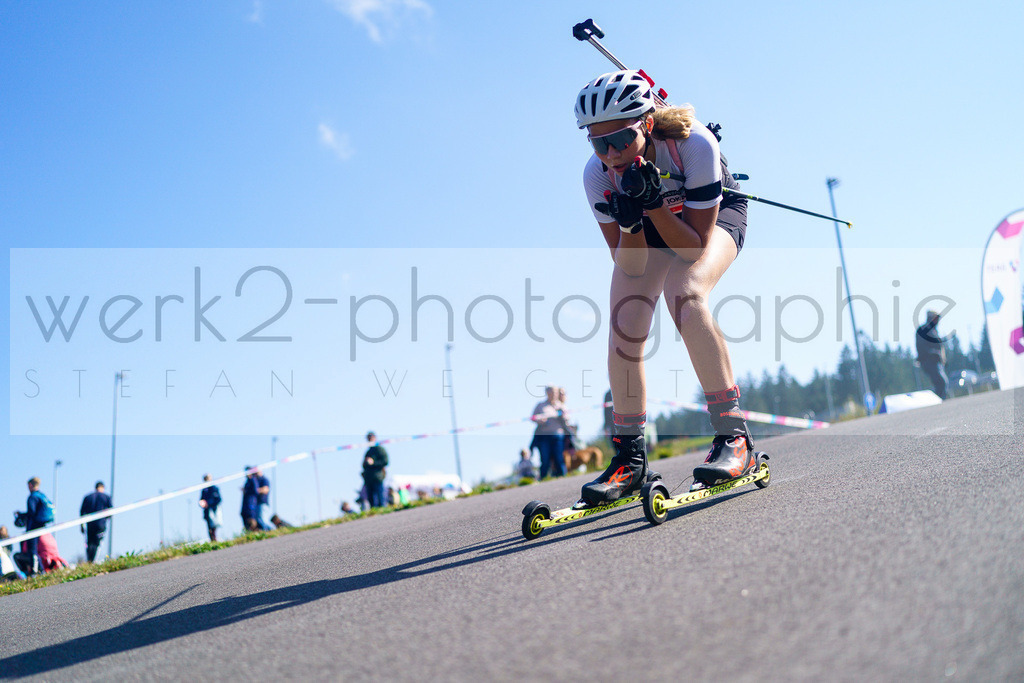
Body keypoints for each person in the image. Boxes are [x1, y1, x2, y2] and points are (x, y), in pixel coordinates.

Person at [574, 69, 756, 504]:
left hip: (708, 220)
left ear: (648, 123)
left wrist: (654, 203)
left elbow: (692, 246)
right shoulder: (597, 175)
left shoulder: (695, 146)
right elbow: (630, 263)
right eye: (599, 144)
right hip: (651, 229)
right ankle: (630, 459)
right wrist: (631, 221)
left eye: (622, 139)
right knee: (625, 325)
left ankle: (735, 438)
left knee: (685, 295)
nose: (612, 154)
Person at [19, 477, 54, 575]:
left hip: (34, 526)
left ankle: (35, 571)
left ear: (30, 485)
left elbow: (31, 512)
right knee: (35, 549)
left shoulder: (32, 497)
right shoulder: (41, 495)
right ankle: (41, 570)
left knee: (32, 549)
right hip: (41, 525)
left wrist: (22, 515)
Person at [530, 386, 567, 478]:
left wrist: (563, 415)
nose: (553, 394)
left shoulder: (560, 405)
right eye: (551, 392)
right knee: (545, 458)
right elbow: (533, 417)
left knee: (559, 458)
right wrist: (540, 420)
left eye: (555, 392)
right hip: (544, 435)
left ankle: (562, 476)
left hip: (558, 435)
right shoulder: (540, 405)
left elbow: (567, 418)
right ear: (547, 393)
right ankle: (543, 477)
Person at [916, 310, 948, 399]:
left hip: (936, 361)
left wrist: (942, 358)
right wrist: (933, 353)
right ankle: (939, 401)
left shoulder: (933, 331)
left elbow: (939, 346)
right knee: (941, 382)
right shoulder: (924, 329)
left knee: (941, 383)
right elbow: (921, 347)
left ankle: (940, 400)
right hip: (929, 361)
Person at [79, 481, 113, 562]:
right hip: (100, 524)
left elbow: (82, 512)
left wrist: (82, 525)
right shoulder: (106, 497)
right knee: (97, 543)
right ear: (103, 487)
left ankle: (89, 560)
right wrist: (106, 518)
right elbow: (111, 511)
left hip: (90, 524)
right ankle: (93, 561)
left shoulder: (87, 497)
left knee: (90, 543)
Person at [361, 432, 389, 508]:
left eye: (371, 438)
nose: (369, 440)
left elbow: (385, 461)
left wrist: (373, 463)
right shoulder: (368, 452)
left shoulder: (380, 449)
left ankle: (383, 509)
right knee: (371, 499)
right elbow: (364, 465)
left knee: (380, 497)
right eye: (368, 439)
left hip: (377, 477)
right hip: (368, 479)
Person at [199, 474, 222, 542]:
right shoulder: (204, 490)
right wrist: (202, 503)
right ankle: (212, 539)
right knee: (209, 526)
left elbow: (219, 499)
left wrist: (209, 504)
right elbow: (201, 500)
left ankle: (215, 538)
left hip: (214, 509)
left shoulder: (214, 488)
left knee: (214, 525)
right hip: (207, 511)